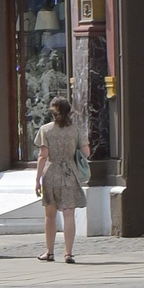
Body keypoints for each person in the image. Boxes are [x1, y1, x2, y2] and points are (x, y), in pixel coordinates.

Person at [37, 95, 86, 264]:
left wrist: (37, 180)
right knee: (69, 214)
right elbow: (86, 152)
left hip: (51, 172)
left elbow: (43, 156)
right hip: (70, 173)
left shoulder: (46, 129)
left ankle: (49, 252)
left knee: (50, 215)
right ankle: (68, 253)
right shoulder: (76, 130)